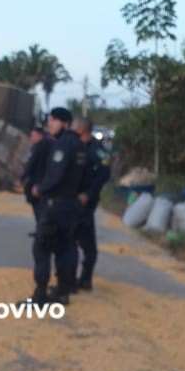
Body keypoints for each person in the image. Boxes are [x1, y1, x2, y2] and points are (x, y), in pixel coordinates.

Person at [25, 107, 86, 305]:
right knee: (64, 247)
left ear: (65, 123)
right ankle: (62, 292)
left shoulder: (62, 145)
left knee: (42, 246)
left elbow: (56, 176)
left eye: (54, 120)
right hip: (71, 205)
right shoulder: (80, 145)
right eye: (49, 120)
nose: (50, 124)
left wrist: (40, 189)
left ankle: (40, 294)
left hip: (55, 205)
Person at [71, 117, 111, 291]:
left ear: (81, 129)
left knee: (87, 241)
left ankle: (85, 279)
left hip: (85, 202)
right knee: (70, 240)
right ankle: (69, 277)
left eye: (74, 127)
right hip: (72, 199)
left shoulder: (96, 150)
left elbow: (104, 174)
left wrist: (88, 193)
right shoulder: (76, 146)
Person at [21, 126, 50, 221]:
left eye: (33, 136)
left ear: (40, 135)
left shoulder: (37, 147)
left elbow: (31, 163)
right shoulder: (49, 145)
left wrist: (23, 177)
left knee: (38, 208)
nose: (32, 138)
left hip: (36, 181)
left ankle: (40, 226)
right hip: (44, 181)